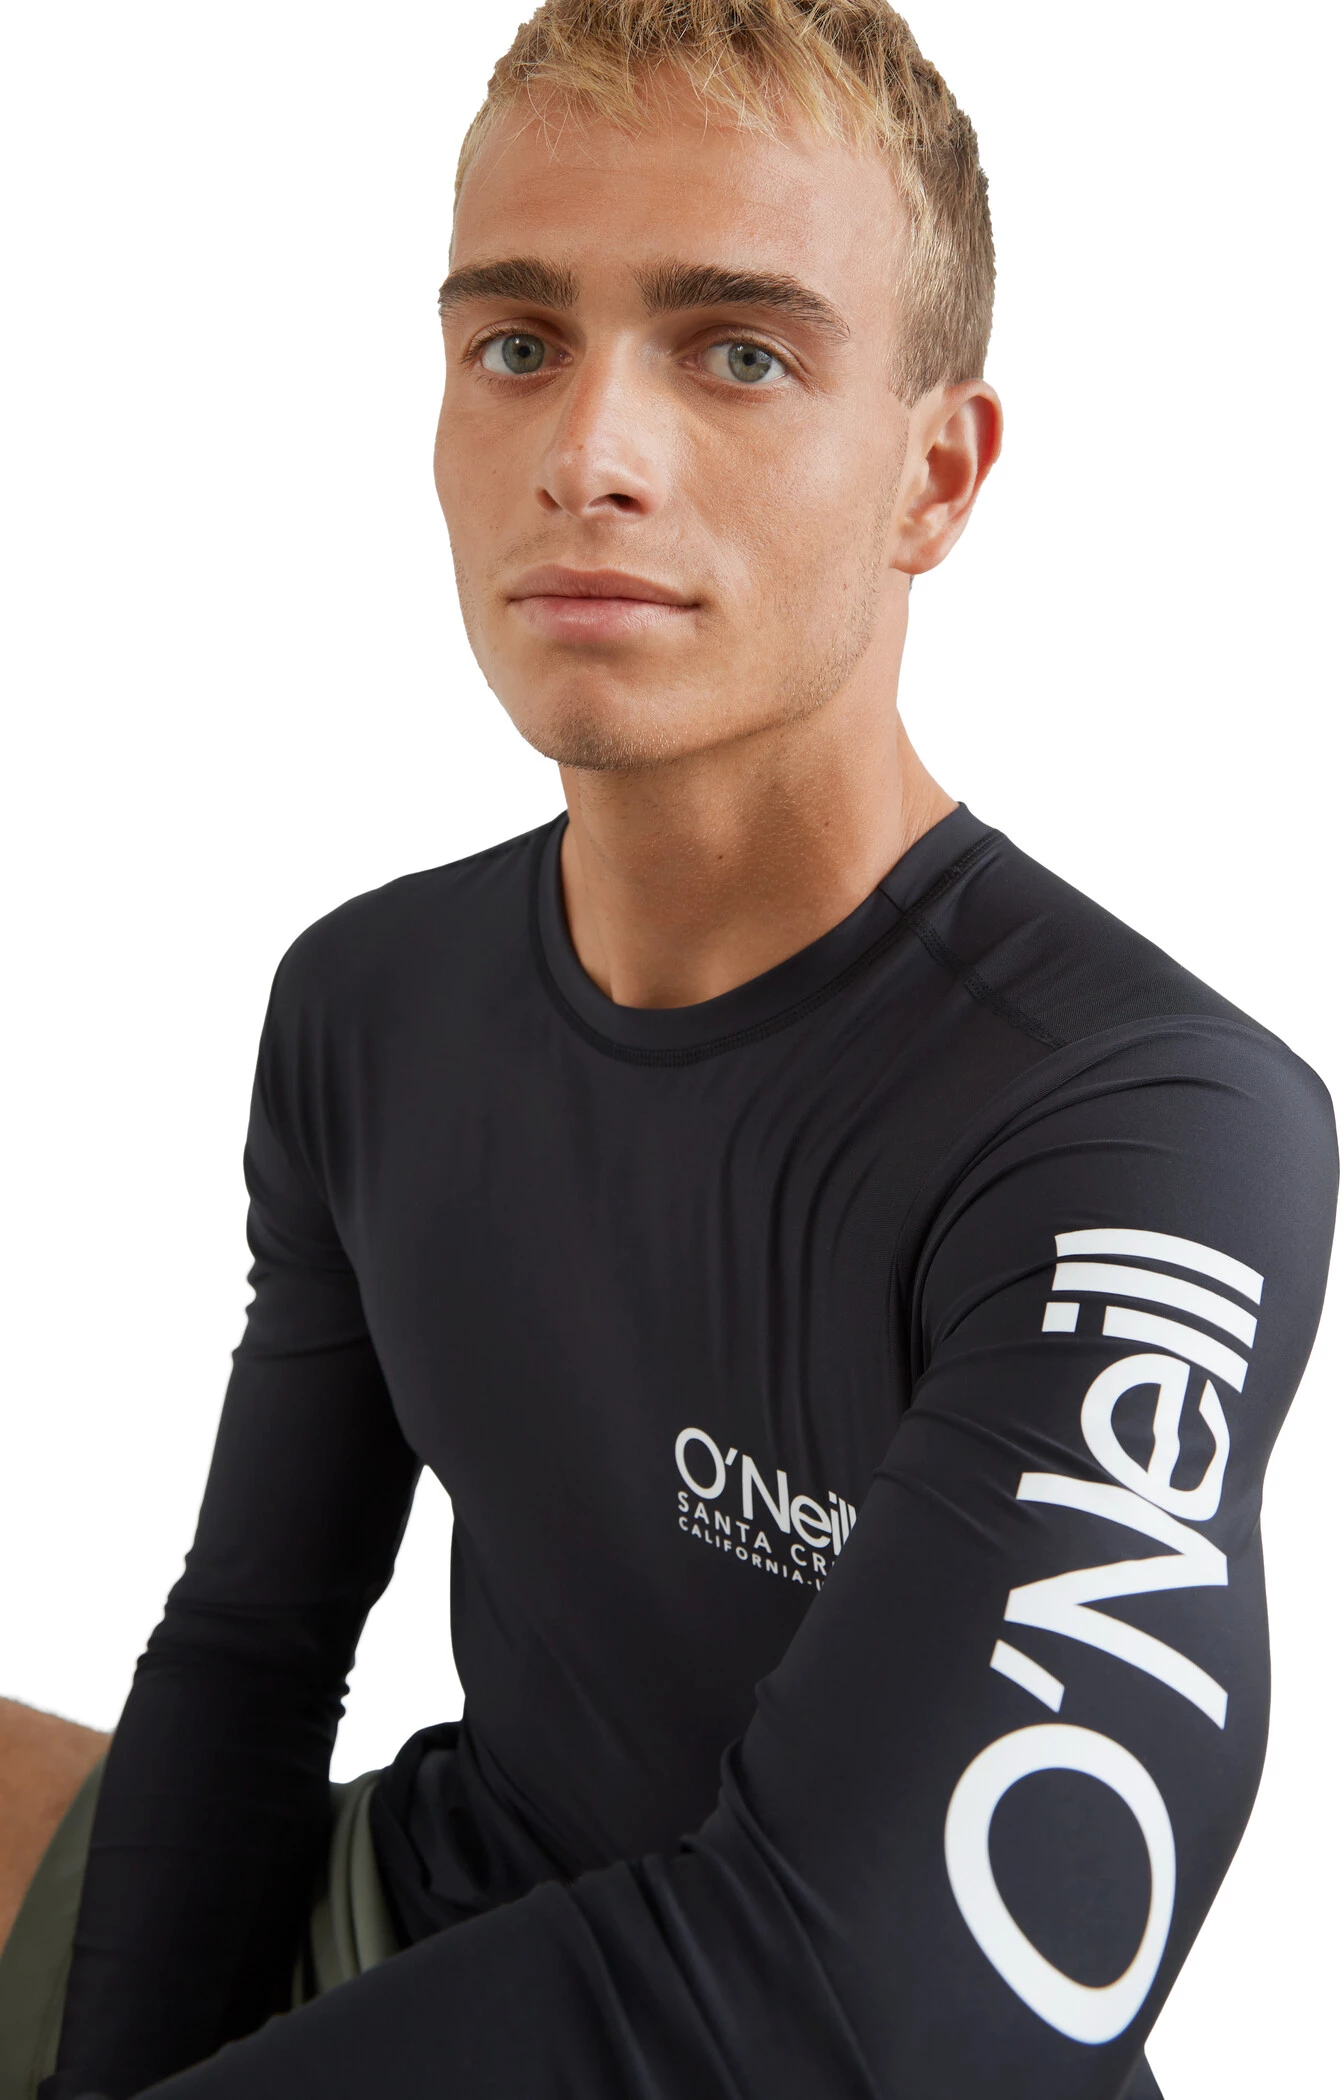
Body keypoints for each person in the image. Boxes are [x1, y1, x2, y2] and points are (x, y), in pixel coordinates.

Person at [0, 2, 1335, 2095]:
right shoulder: (366, 998)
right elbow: (253, 1651)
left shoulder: (1145, 1127)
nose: (587, 452)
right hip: (432, 1922)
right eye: (518, 342)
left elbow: (857, 2007)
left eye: (736, 354)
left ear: (932, 476)